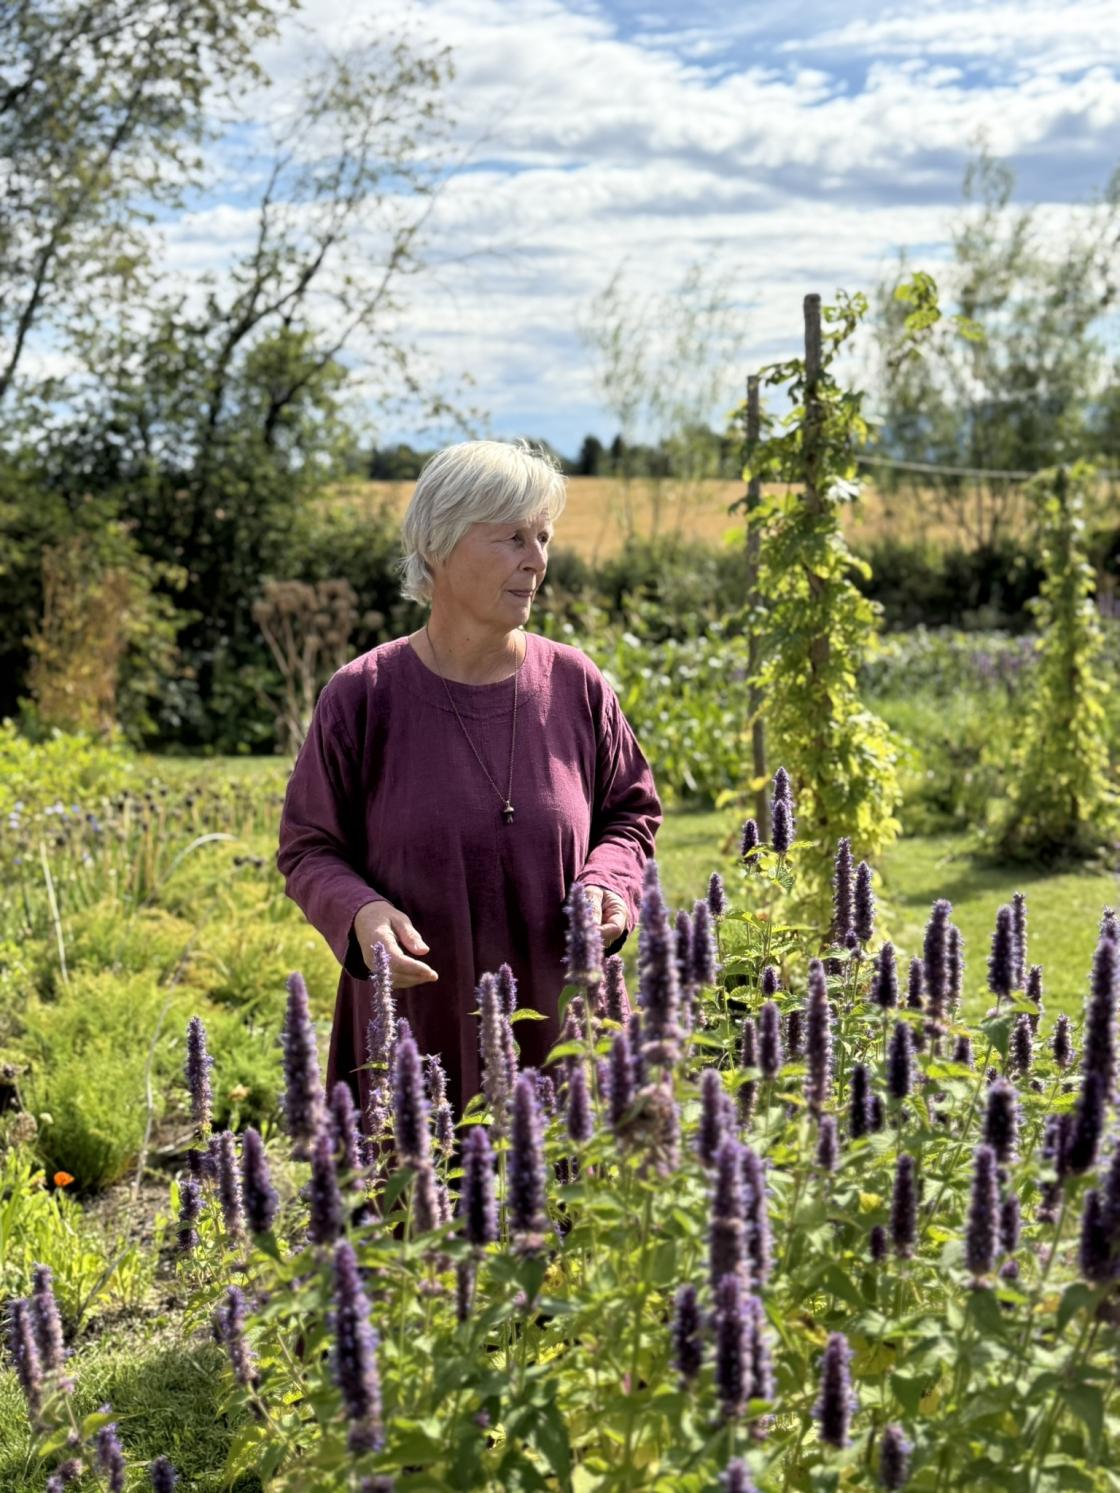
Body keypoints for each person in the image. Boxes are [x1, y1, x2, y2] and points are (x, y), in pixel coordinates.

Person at [275, 438, 662, 1124]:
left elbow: (630, 812)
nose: (537, 560)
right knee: (420, 1191)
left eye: (543, 537)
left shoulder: (575, 684)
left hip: (568, 1037)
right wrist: (360, 914)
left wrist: (609, 883)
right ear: (440, 546)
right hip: (413, 1044)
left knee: (573, 1190)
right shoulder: (364, 697)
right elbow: (309, 847)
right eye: (512, 537)